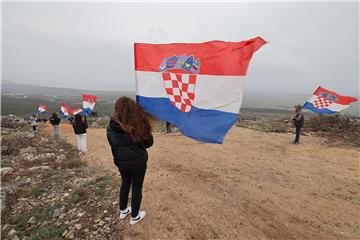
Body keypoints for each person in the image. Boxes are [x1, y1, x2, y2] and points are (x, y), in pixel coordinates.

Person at [107, 96, 153, 225]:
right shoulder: (138, 124)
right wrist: (146, 127)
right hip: (138, 162)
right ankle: (135, 216)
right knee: (137, 187)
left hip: (121, 162)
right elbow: (149, 143)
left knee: (125, 183)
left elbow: (113, 144)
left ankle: (123, 210)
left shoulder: (111, 126)